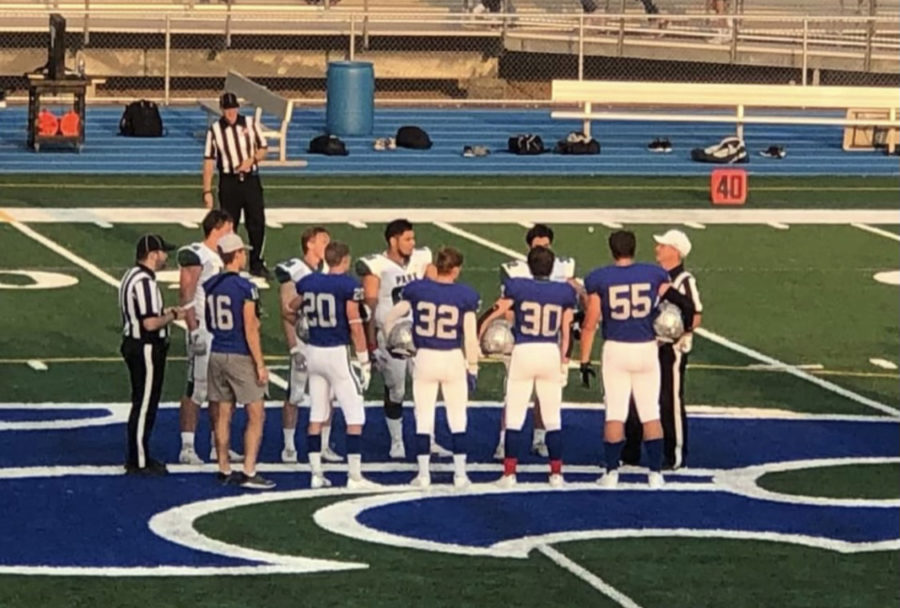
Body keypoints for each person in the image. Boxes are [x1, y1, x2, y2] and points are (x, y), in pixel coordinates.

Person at [383, 247, 481, 489]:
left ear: (437, 266)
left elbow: (391, 316)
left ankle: (423, 474)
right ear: (456, 269)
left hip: (425, 357)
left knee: (423, 417)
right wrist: (473, 366)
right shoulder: (465, 294)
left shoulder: (418, 289)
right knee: (458, 418)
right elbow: (470, 336)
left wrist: (390, 339)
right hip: (452, 357)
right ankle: (460, 475)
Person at [579, 230, 670, 489]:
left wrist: (584, 360)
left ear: (611, 250)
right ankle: (655, 473)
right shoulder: (653, 274)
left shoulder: (600, 278)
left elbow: (590, 323)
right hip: (646, 346)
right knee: (650, 411)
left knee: (615, 413)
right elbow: (670, 304)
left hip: (616, 349)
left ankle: (611, 473)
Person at [481, 246, 576, 488]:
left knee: (514, 415)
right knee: (553, 417)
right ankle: (556, 474)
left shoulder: (518, 286)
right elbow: (567, 331)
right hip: (549, 352)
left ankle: (510, 474)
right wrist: (565, 359)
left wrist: (478, 332)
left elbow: (496, 310)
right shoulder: (564, 291)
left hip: (524, 350)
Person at [357, 219, 450, 459]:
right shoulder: (377, 266)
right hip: (391, 335)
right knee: (396, 390)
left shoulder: (421, 259)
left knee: (426, 387)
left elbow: (436, 286)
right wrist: (370, 344)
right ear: (393, 240)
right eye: (407, 239)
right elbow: (368, 308)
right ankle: (397, 440)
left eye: (413, 238)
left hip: (419, 333)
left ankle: (429, 438)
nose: (413, 243)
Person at [290, 241, 376, 489]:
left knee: (317, 413)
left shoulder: (309, 282)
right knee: (355, 414)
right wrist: (364, 361)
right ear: (345, 260)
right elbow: (355, 325)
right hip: (336, 353)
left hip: (314, 352)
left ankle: (316, 474)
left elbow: (291, 306)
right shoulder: (347, 286)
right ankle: (355, 476)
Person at [622, 229, 703, 470]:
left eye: (663, 246)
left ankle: (674, 454)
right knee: (636, 398)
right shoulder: (656, 277)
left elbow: (696, 315)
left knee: (669, 401)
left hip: (670, 350)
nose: (657, 249)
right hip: (648, 346)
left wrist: (681, 332)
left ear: (675, 251)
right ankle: (631, 452)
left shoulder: (683, 280)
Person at [204, 233, 274, 490]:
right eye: (242, 252)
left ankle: (223, 467)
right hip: (239, 354)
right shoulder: (245, 288)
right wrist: (260, 364)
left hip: (216, 351)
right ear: (236, 255)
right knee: (256, 413)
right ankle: (249, 470)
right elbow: (250, 328)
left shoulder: (210, 284)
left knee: (223, 413)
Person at [176, 209, 244, 465]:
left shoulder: (223, 257)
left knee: (223, 390)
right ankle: (188, 446)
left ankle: (220, 444)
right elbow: (186, 294)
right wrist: (193, 330)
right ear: (218, 227)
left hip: (224, 332)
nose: (233, 234)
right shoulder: (197, 254)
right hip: (203, 328)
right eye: (230, 228)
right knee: (197, 388)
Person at [276, 226, 342, 464]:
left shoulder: (330, 269)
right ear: (310, 244)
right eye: (323, 240)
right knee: (295, 392)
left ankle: (324, 445)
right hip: (304, 340)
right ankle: (289, 444)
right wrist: (293, 347)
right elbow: (286, 311)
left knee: (329, 394)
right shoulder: (294, 270)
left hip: (327, 340)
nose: (328, 244)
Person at [118, 234, 183, 475]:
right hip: (145, 346)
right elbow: (149, 323)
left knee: (143, 402)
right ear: (153, 254)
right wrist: (173, 315)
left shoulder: (131, 276)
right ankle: (139, 460)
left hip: (136, 343)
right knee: (145, 404)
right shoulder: (144, 281)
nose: (166, 257)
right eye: (163, 252)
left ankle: (139, 455)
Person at [202, 92, 271, 279]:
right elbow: (209, 160)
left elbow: (263, 148)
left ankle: (257, 261)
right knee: (228, 225)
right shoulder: (215, 130)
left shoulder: (249, 123)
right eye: (227, 109)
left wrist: (252, 159)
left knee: (256, 221)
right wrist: (206, 190)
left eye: (233, 108)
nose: (231, 112)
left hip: (250, 179)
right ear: (222, 110)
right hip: (229, 181)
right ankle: (230, 261)